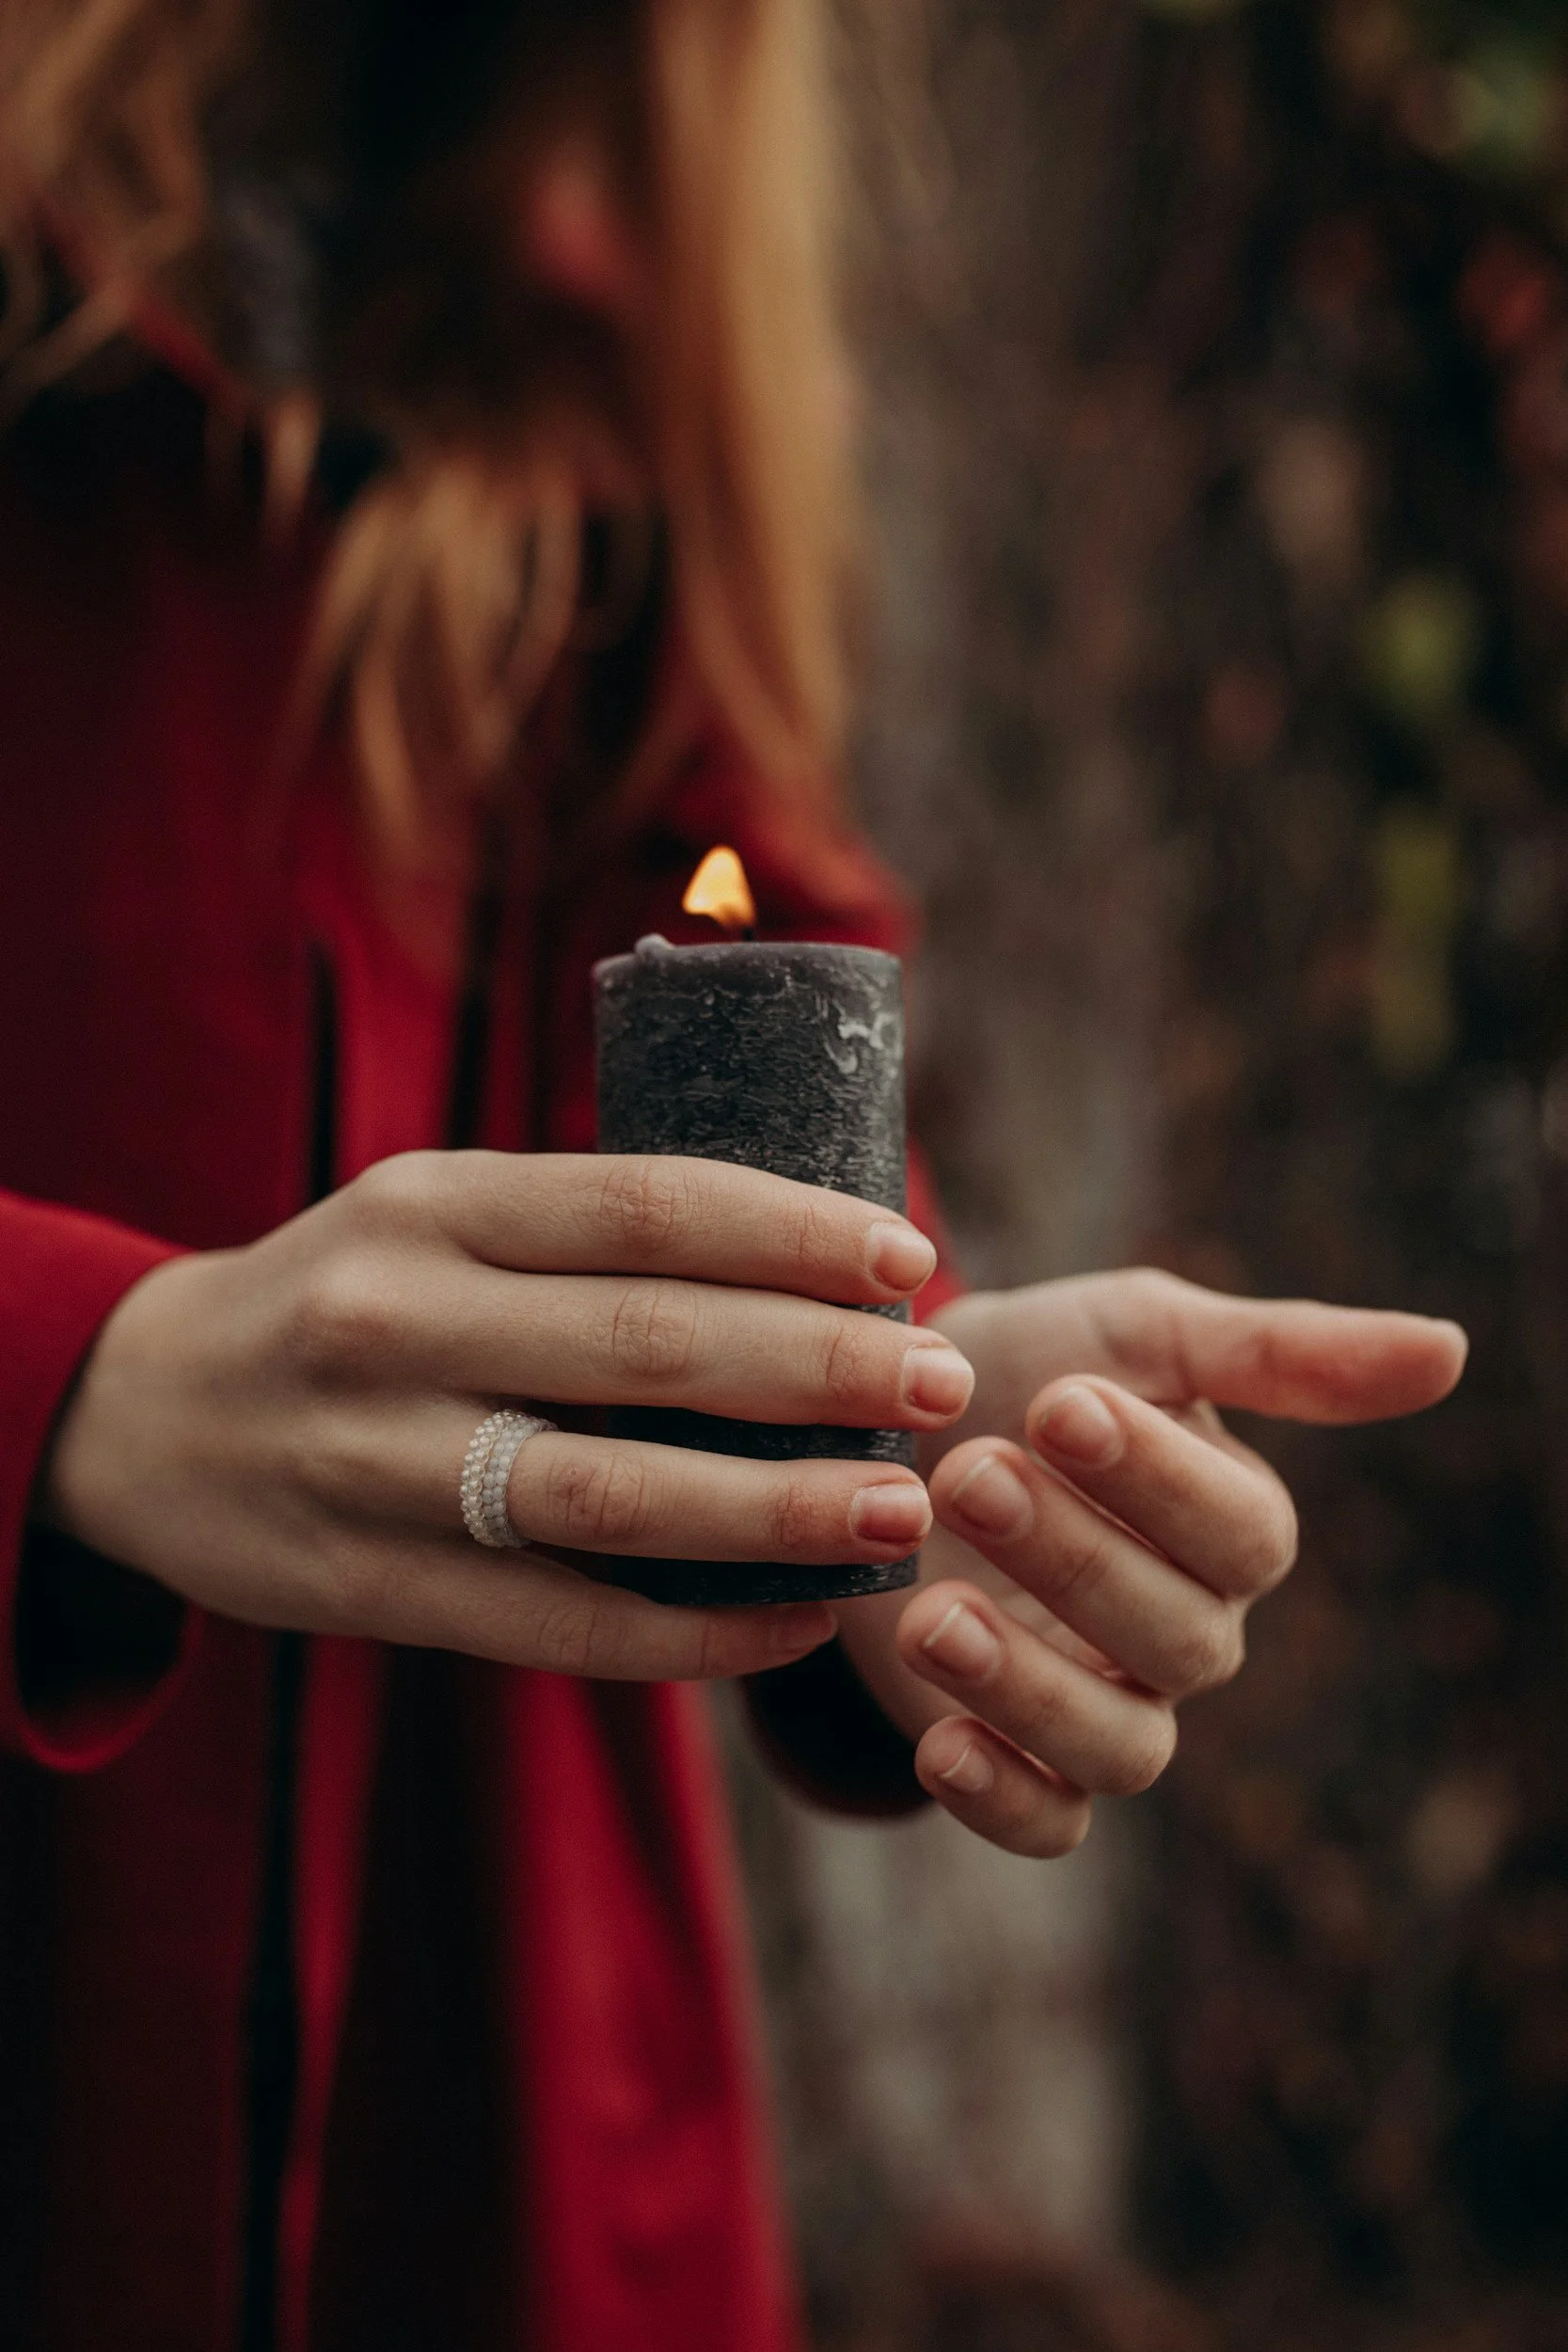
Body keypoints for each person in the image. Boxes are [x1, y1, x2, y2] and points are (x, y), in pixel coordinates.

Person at [0, 2, 1466, 2347]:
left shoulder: (602, 336)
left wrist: (913, 1440)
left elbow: (747, 968)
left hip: (502, 2109)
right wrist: (72, 1376)